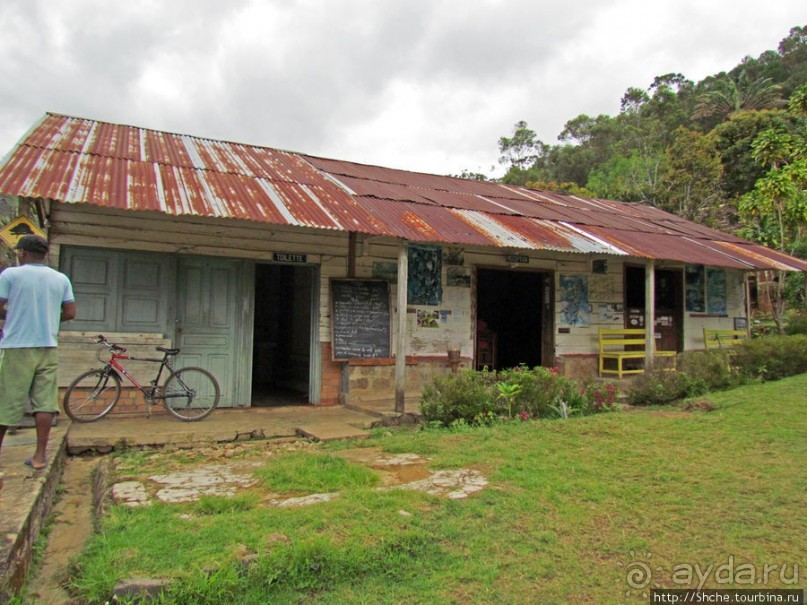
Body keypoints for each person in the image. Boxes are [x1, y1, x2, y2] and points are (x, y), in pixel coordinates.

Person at [0, 234, 76, 472]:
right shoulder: (60, 278)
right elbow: (70, 312)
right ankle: (40, 456)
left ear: (22, 253)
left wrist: (11, 317)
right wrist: (51, 317)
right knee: (44, 403)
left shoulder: (11, 275)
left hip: (17, 346)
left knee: (6, 402)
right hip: (48, 346)